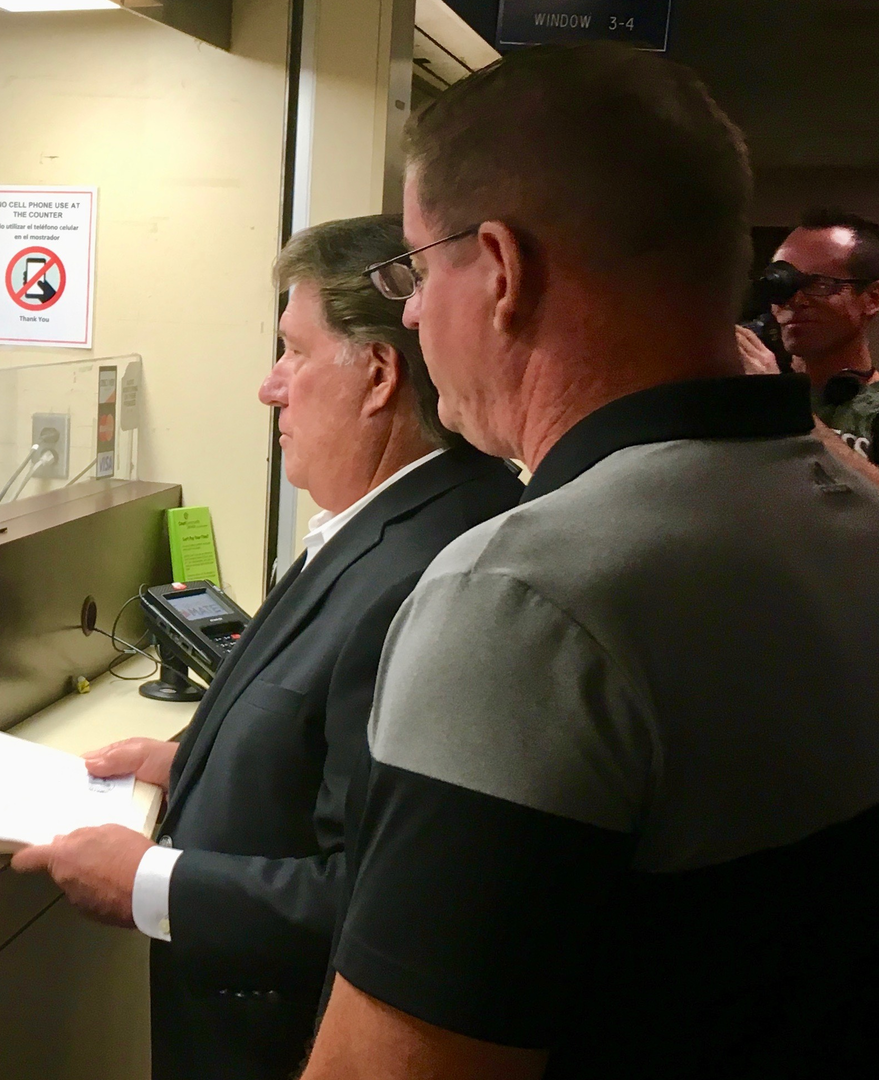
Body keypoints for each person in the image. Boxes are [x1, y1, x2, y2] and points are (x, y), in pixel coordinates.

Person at [303, 43, 879, 1080]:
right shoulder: (855, 512)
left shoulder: (523, 601)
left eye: (420, 272)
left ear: (504, 271)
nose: (415, 311)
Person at [10, 216, 523, 1080]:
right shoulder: (374, 527)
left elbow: (379, 897)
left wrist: (149, 882)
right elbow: (334, 758)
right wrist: (196, 766)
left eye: (292, 351)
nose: (269, 387)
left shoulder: (426, 571)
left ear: (378, 374)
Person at [768, 210, 879, 455]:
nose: (795, 300)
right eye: (783, 284)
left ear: (873, 298)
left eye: (819, 284)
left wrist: (790, 412)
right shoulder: (756, 402)